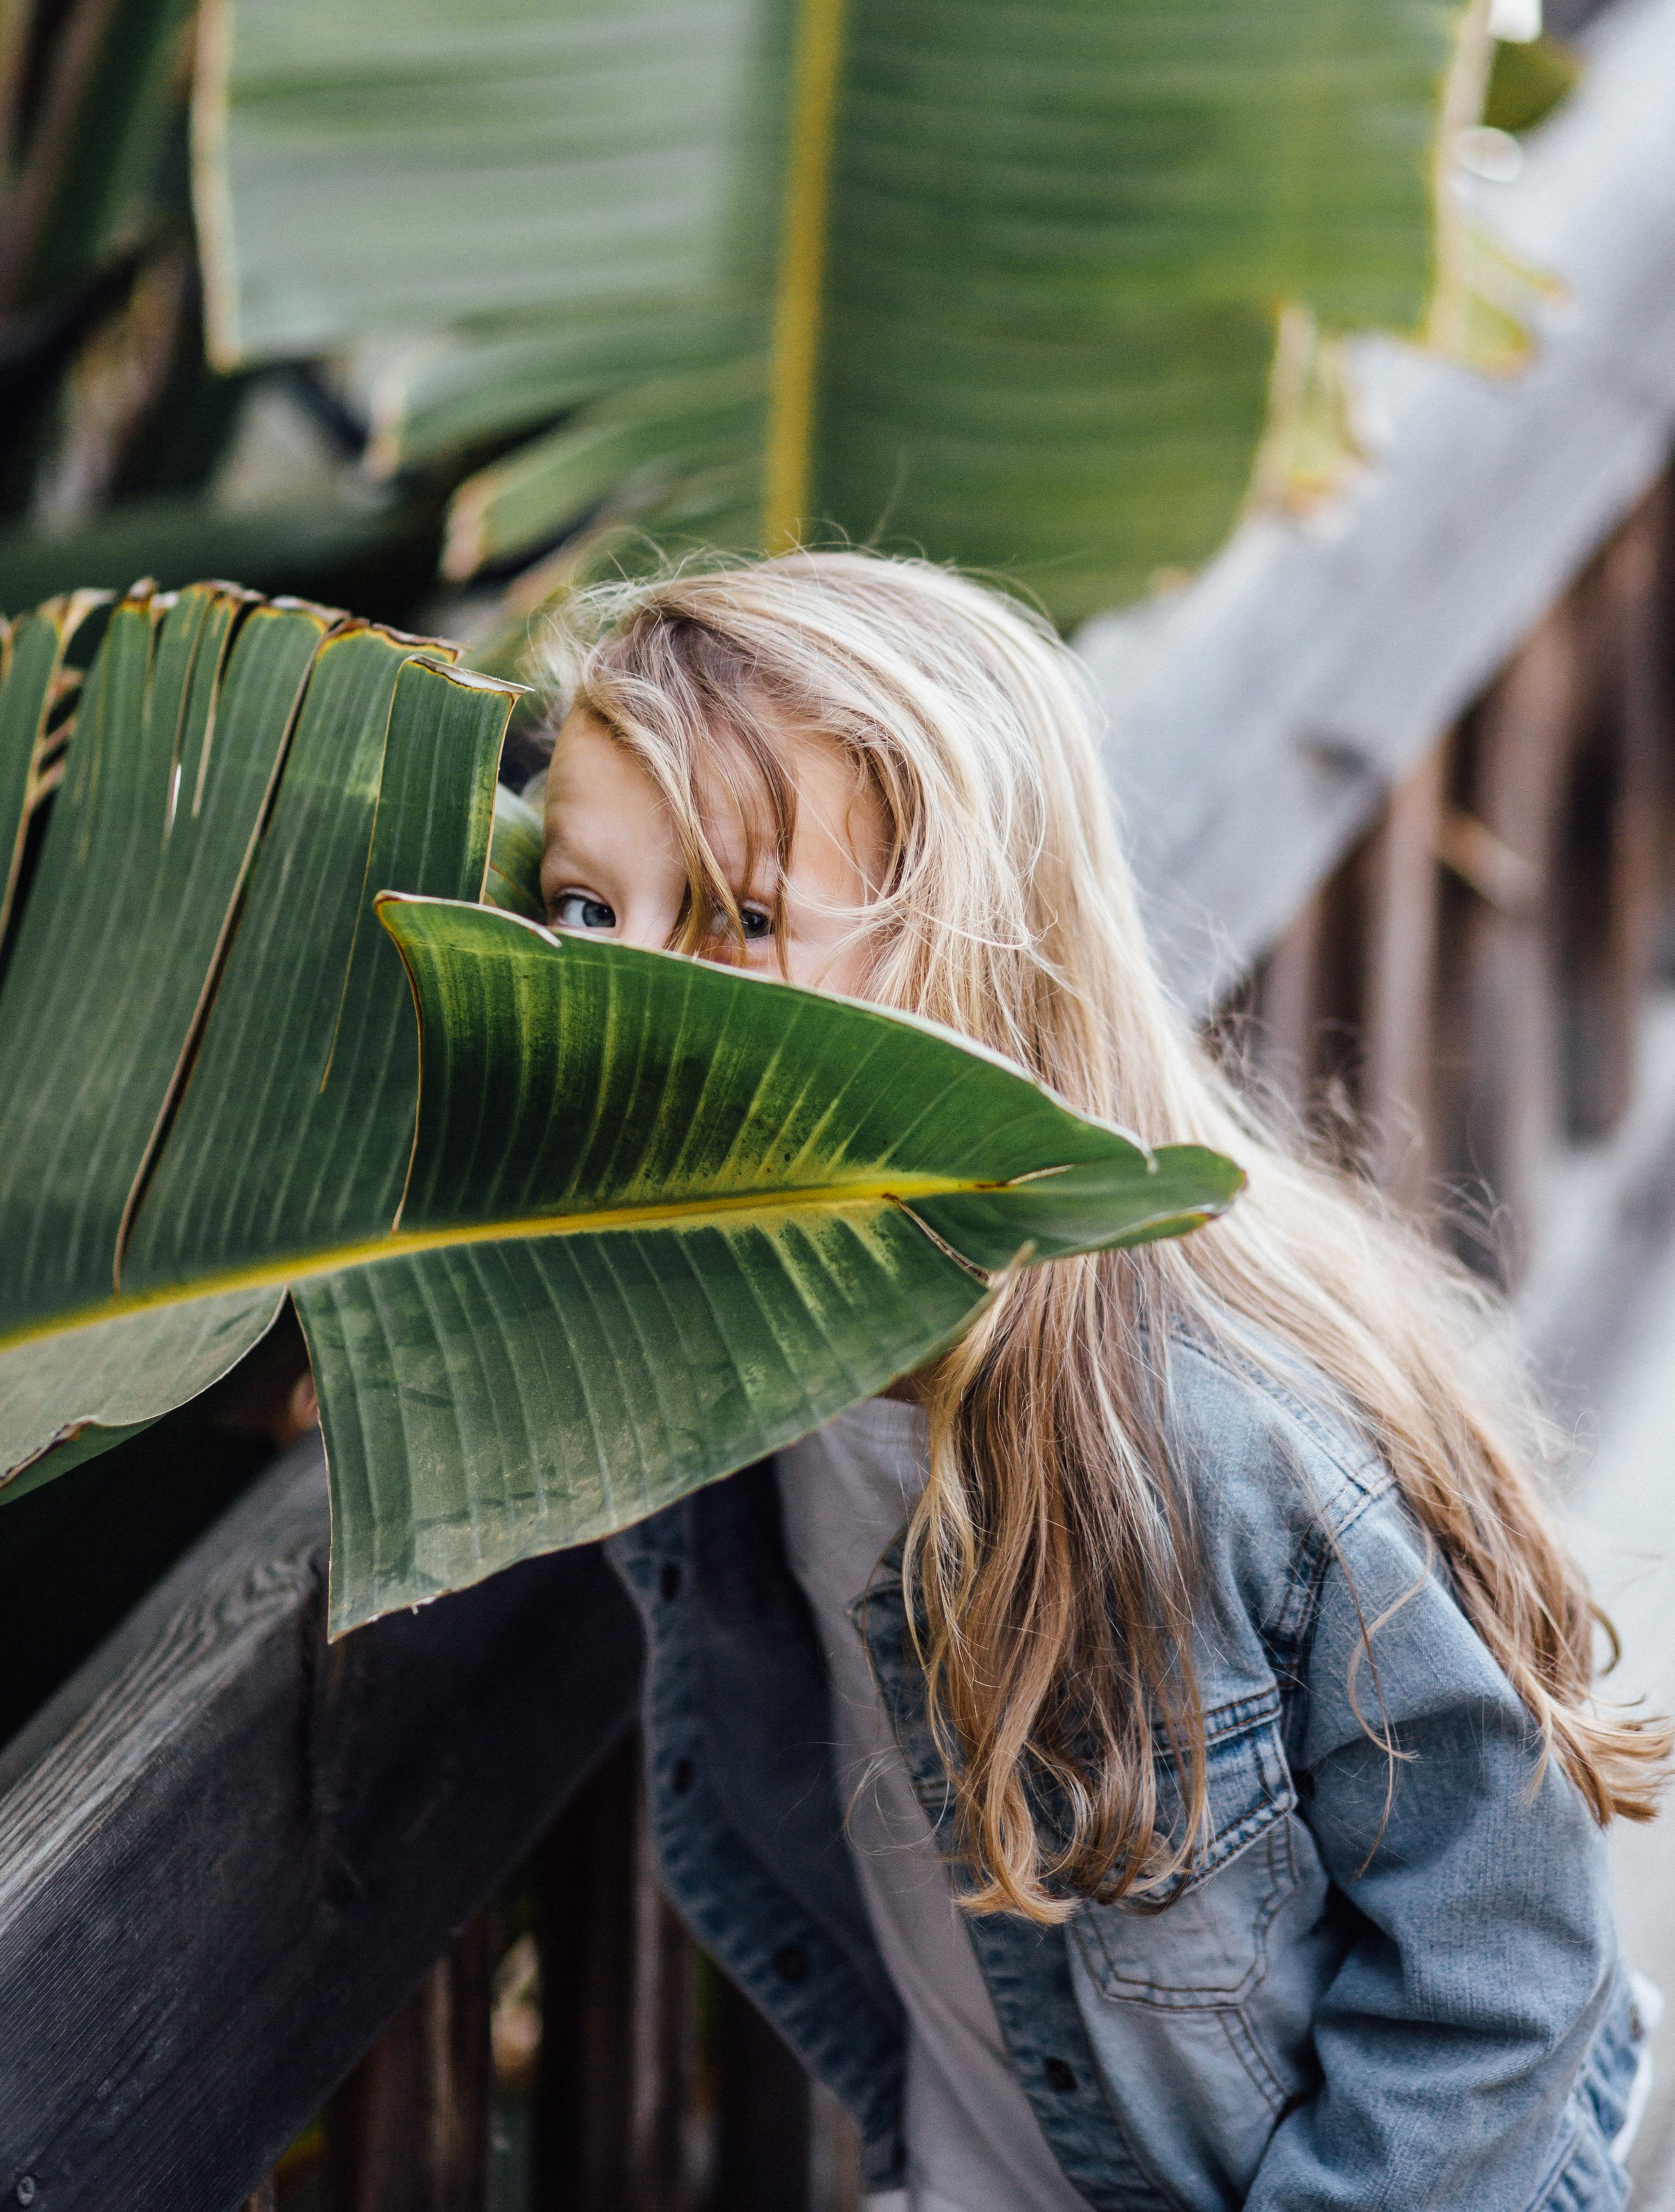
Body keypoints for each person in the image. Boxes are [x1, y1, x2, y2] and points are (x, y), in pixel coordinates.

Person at [533, 548, 1667, 2211]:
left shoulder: (1233, 1447)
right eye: (582, 910)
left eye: (738, 917)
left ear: (963, 955)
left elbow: (1503, 1970)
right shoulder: (700, 1327)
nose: (623, 997)